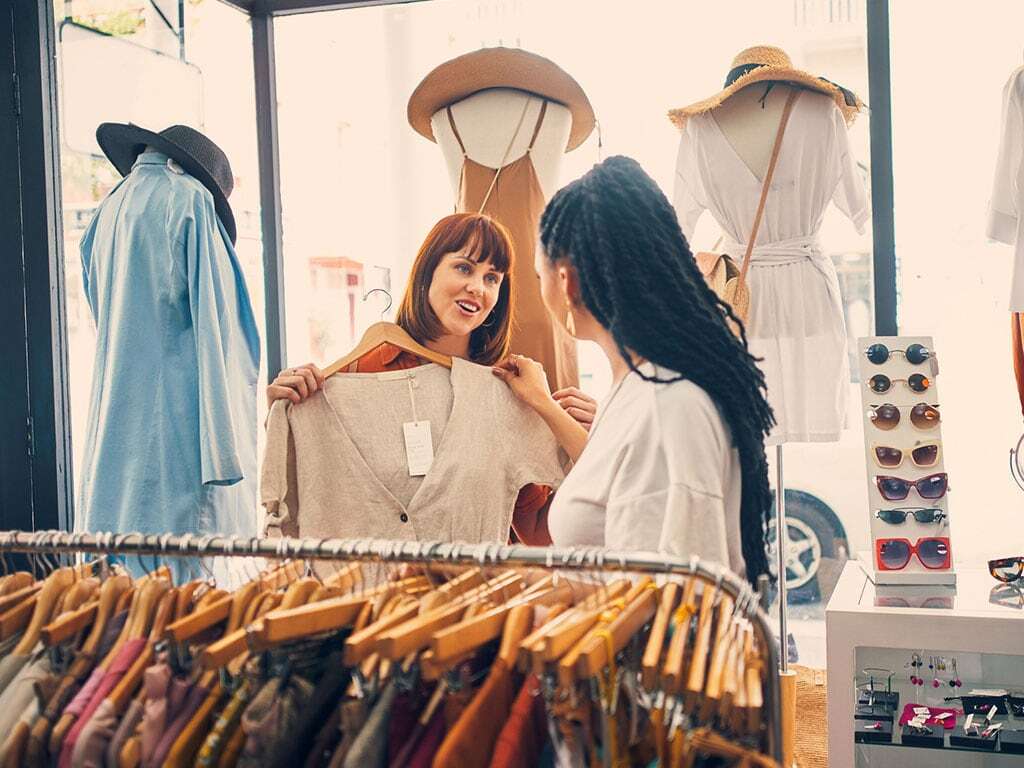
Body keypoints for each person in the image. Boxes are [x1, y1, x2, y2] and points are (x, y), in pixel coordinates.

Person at [493, 156, 775, 583]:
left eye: (538, 275)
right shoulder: (640, 386)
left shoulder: (668, 404)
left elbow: (659, 605)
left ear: (566, 282)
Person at [267, 212, 596, 544]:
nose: (477, 288)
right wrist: (286, 415)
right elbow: (294, 506)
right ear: (428, 270)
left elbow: (539, 531)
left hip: (468, 593)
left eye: (492, 278)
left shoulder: (503, 396)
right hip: (361, 594)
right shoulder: (349, 381)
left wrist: (552, 413)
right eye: (464, 268)